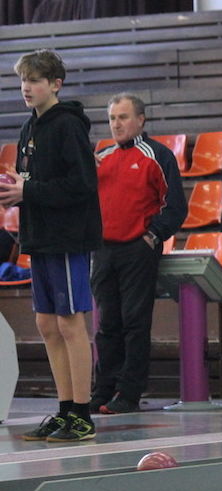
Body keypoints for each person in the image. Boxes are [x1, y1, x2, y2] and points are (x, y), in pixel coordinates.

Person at [0, 49, 102, 442]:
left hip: (67, 237)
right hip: (40, 235)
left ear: (55, 84)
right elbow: (31, 180)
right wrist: (16, 188)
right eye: (23, 80)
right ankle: (64, 410)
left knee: (70, 322)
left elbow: (82, 184)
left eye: (35, 80)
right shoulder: (30, 126)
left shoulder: (68, 125)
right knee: (46, 323)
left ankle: (83, 414)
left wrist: (29, 190)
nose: (26, 87)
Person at [91, 93, 187, 414]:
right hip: (103, 249)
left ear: (141, 120)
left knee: (134, 322)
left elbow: (176, 206)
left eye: (123, 117)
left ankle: (129, 393)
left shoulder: (157, 155)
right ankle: (103, 390)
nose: (116, 124)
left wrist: (153, 235)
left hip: (137, 248)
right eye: (112, 118)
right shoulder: (101, 157)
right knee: (107, 324)